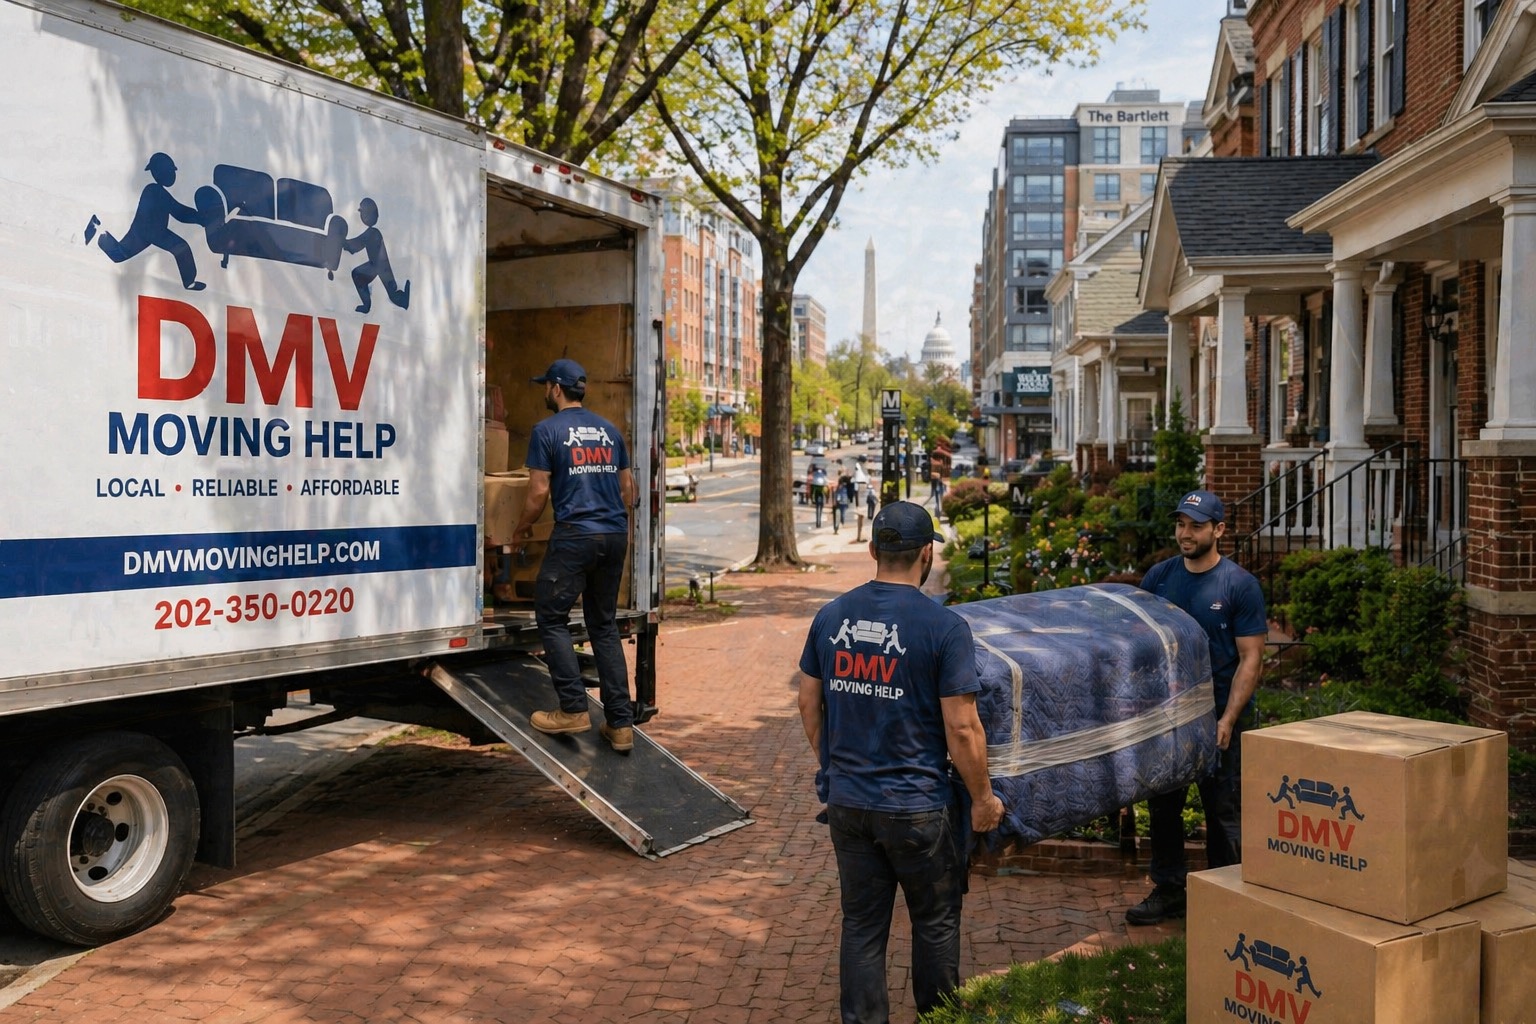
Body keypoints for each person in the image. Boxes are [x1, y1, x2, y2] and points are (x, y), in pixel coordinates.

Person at [796, 501, 1005, 1024]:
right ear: (927, 553)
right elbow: (962, 727)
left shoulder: (832, 616)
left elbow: (807, 702)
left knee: (862, 926)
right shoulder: (944, 628)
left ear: (872, 550)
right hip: (917, 808)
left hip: (848, 805)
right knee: (934, 923)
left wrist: (833, 764)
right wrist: (983, 799)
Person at [1125, 489, 1267, 925]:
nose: (1185, 534)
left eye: (1196, 526)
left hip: (1218, 717)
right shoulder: (1160, 578)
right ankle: (1170, 891)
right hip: (1168, 717)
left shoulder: (1238, 585)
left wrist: (1228, 719)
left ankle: (1226, 901)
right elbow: (1141, 646)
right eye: (1181, 524)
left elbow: (1251, 658)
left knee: (1223, 811)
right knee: (1164, 808)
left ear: (1219, 530)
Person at [515, 359, 640, 753]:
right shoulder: (609, 430)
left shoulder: (546, 430)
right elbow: (629, 490)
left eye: (545, 386)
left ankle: (573, 708)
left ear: (555, 388)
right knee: (602, 625)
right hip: (614, 533)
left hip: (575, 536)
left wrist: (520, 528)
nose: (544, 392)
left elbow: (537, 492)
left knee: (551, 617)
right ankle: (620, 724)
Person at [85, 152, 206, 291]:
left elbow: (179, 211)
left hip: (149, 231)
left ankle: (99, 232)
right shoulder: (154, 190)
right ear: (163, 172)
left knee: (121, 254)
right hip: (151, 232)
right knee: (181, 247)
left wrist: (198, 218)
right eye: (172, 171)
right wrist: (199, 218)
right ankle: (98, 231)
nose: (174, 175)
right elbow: (178, 211)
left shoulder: (156, 190)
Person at [344, 197, 411, 313]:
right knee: (358, 275)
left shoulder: (373, 233)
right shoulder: (373, 232)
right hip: (376, 265)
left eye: (364, 214)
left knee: (392, 294)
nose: (363, 217)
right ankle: (367, 305)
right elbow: (357, 244)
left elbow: (357, 244)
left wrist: (345, 243)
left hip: (379, 266)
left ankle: (403, 299)